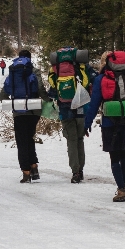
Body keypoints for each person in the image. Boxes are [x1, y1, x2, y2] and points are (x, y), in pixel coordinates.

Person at [84, 50, 125, 202]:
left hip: (110, 123)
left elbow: (94, 105)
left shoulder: (101, 79)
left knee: (114, 156)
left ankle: (121, 189)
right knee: (123, 153)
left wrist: (87, 124)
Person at [0, 50, 48, 183]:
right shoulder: (34, 70)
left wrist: (11, 102)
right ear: (30, 58)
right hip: (34, 111)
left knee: (22, 141)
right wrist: (47, 100)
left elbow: (2, 95)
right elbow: (40, 88)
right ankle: (34, 167)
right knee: (29, 138)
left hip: (19, 112)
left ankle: (26, 172)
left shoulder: (13, 71)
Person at [48, 47, 94, 183]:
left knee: (71, 141)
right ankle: (81, 170)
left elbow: (53, 90)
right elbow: (93, 79)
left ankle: (75, 171)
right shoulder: (82, 66)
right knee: (80, 139)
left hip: (65, 109)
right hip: (81, 106)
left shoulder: (55, 68)